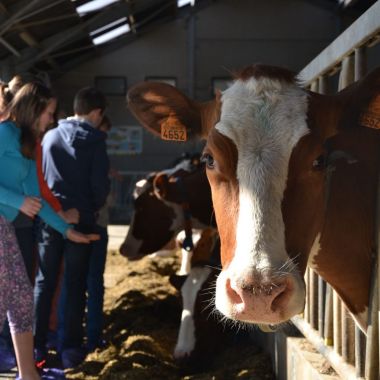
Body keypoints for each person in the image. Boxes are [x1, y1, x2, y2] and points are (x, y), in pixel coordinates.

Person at [0, 82, 98, 380]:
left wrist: (68, 231)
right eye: (49, 112)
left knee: (19, 300)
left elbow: (38, 200)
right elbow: (26, 200)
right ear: (34, 109)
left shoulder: (29, 145)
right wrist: (18, 201)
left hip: (6, 228)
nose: (52, 120)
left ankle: (29, 374)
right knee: (14, 299)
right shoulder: (4, 133)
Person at [34, 86, 110, 369]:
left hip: (49, 217)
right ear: (96, 112)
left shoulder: (50, 136)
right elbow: (99, 186)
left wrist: (56, 208)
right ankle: (70, 349)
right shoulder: (95, 141)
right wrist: (90, 207)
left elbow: (40, 177)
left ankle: (36, 347)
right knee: (75, 284)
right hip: (83, 220)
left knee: (44, 282)